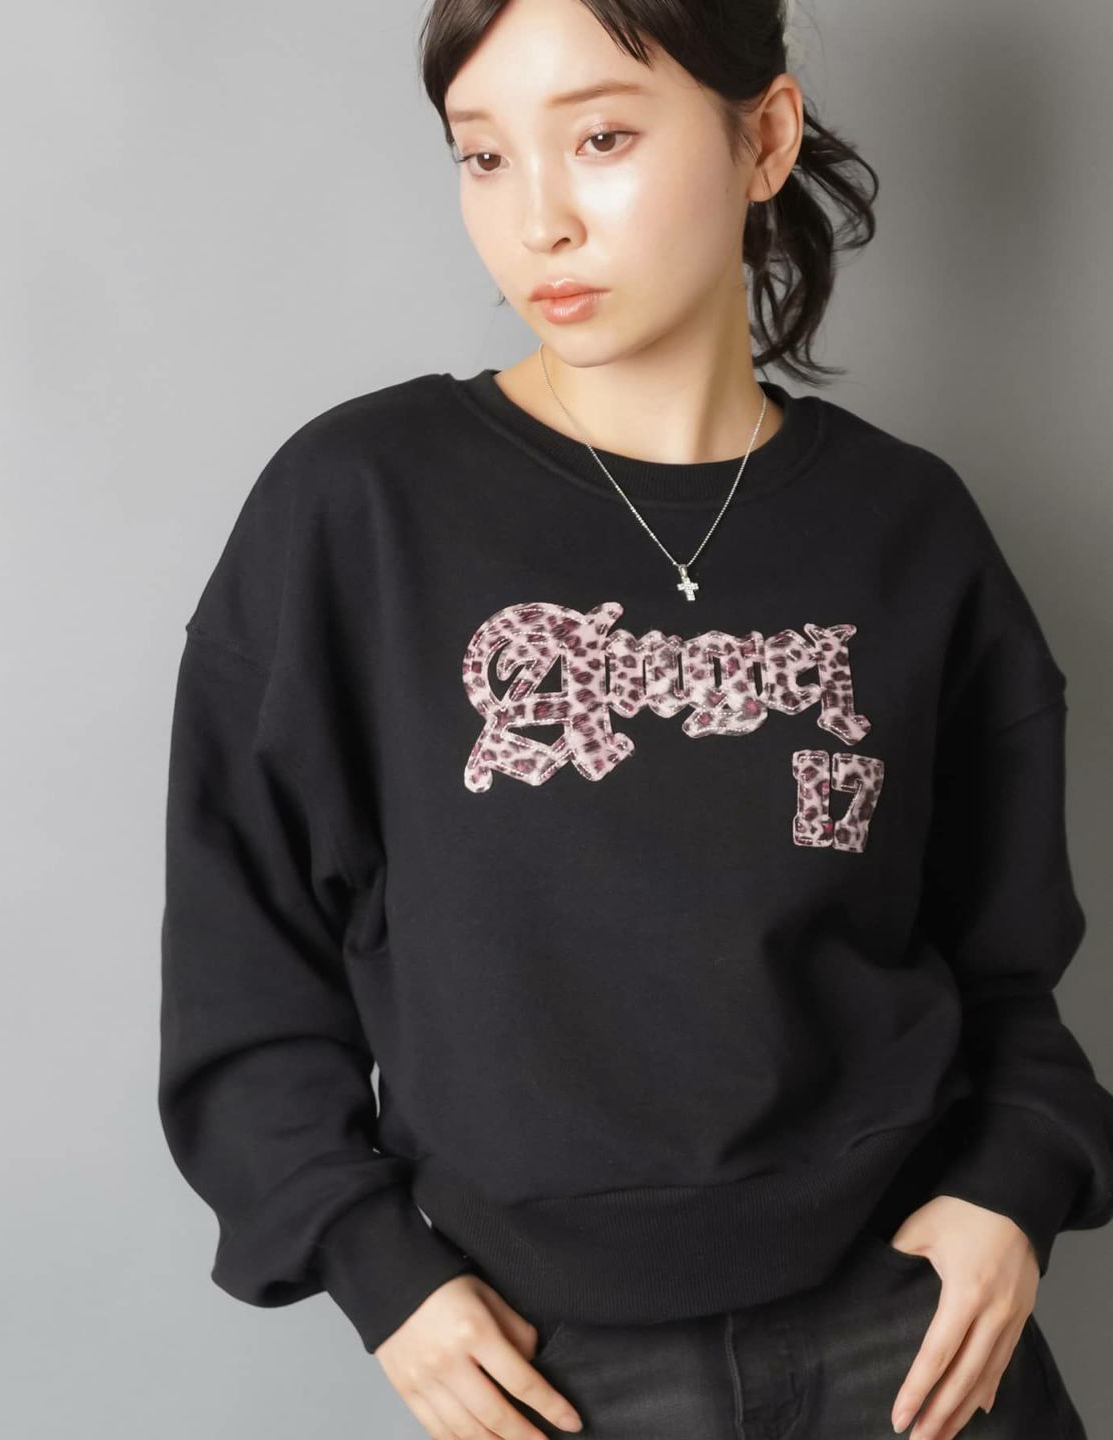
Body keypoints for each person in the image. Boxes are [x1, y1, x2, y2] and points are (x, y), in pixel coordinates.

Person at [157, 1, 1113, 1436]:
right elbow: (243, 958)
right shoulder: (360, 509)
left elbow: (1008, 953)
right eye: (484, 156)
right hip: (562, 1367)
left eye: (601, 137)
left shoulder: (908, 527)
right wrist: (376, 1268)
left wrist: (1013, 1185)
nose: (537, 219)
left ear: (763, 138)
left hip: (917, 1342)